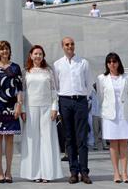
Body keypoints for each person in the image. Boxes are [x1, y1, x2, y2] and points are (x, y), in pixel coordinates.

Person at [20, 45, 63, 182]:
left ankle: (47, 174)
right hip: (31, 108)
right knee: (32, 141)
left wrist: (54, 108)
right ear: (31, 55)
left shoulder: (48, 71)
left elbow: (53, 91)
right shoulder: (26, 72)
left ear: (43, 56)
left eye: (40, 54)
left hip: (47, 109)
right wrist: (23, 110)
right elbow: (22, 92)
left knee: (47, 140)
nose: (38, 56)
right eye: (35, 53)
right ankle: (34, 174)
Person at [53, 37, 93, 184]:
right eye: (67, 44)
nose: (70, 46)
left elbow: (89, 84)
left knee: (82, 137)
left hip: (80, 101)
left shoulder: (83, 62)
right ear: (62, 46)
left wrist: (85, 98)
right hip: (65, 101)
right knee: (69, 138)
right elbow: (56, 87)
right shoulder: (57, 64)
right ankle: (73, 172)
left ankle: (84, 171)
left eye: (72, 44)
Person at [0, 40, 23, 183]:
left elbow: (20, 88)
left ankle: (9, 171)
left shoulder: (15, 67)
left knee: (9, 138)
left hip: (11, 105)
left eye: (6, 49)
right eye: (1, 49)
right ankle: (0, 171)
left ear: (9, 51)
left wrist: (19, 105)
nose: (4, 51)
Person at [97, 53, 128, 183]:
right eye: (109, 62)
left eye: (114, 61)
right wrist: (107, 108)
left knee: (123, 143)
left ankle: (125, 173)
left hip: (124, 113)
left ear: (119, 62)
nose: (112, 64)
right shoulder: (101, 78)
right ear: (107, 64)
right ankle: (116, 173)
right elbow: (101, 96)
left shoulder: (126, 77)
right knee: (113, 143)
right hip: (109, 115)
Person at [90, 84, 103, 150]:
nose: (96, 88)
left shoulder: (102, 93)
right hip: (94, 114)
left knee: (103, 130)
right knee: (96, 130)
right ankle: (96, 144)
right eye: (95, 87)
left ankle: (104, 144)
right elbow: (89, 102)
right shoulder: (92, 93)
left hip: (102, 114)